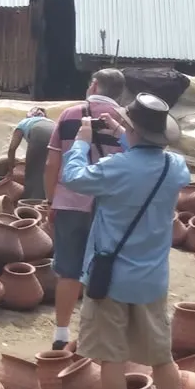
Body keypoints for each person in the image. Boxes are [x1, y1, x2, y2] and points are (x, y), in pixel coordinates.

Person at [59, 93, 192, 389]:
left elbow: (73, 178)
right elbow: (144, 158)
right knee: (161, 357)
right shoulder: (175, 167)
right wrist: (124, 131)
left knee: (111, 359)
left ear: (133, 130)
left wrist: (81, 143)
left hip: (110, 280)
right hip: (151, 280)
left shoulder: (114, 169)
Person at [44, 68, 127, 351]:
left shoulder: (70, 115)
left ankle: (61, 334)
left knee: (69, 270)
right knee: (105, 269)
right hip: (112, 207)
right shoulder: (127, 120)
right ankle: (98, 335)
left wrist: (50, 200)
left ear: (93, 86)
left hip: (71, 202)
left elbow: (52, 164)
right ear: (119, 92)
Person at [3, 107, 54, 200]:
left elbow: (12, 148)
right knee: (49, 170)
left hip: (38, 132)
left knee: (32, 170)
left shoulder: (24, 123)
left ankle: (31, 202)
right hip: (55, 131)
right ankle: (48, 201)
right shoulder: (50, 121)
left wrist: (11, 171)